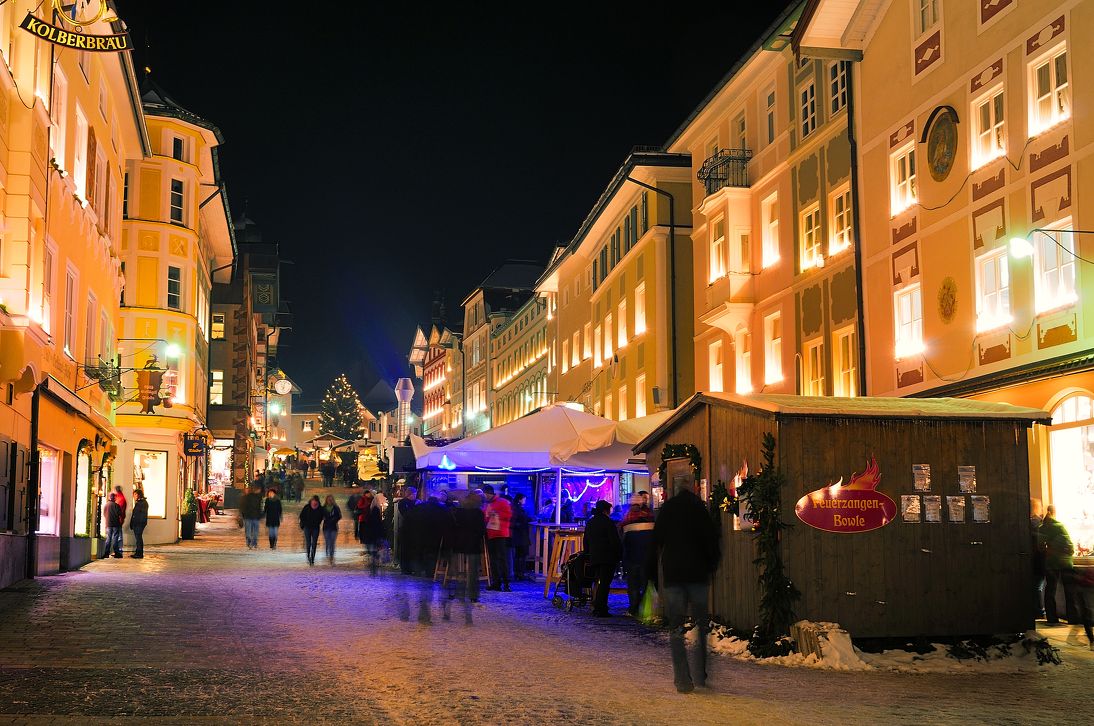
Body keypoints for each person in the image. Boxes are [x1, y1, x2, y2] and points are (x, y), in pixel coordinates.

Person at [652, 479, 721, 693]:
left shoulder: (668, 509)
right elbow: (713, 540)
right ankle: (701, 673)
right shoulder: (701, 509)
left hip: (674, 574)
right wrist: (711, 566)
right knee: (701, 625)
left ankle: (682, 678)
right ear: (693, 489)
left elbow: (657, 539)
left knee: (676, 628)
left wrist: (658, 569)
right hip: (698, 574)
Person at [583, 499, 622, 617]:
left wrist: (588, 554)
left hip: (595, 557)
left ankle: (596, 606)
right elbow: (615, 541)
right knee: (605, 583)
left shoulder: (591, 522)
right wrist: (619, 555)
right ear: (606, 510)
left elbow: (586, 541)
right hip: (607, 557)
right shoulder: (608, 523)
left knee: (598, 582)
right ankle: (601, 608)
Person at [451, 492, 487, 616]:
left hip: (458, 544)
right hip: (473, 545)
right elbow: (482, 530)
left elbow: (453, 526)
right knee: (473, 572)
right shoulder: (479, 513)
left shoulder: (457, 511)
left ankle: (457, 592)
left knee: (458, 571)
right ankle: (473, 596)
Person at [621, 492, 655, 617]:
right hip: (646, 558)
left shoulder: (627, 520)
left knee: (633, 586)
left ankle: (633, 609)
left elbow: (622, 542)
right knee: (645, 584)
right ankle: (644, 608)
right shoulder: (651, 518)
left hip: (632, 558)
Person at [483, 485, 513, 591]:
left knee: (501, 559)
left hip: (500, 534)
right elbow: (485, 518)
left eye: (485, 494)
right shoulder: (487, 504)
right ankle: (496, 583)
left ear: (489, 494)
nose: (484, 496)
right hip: (490, 534)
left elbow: (508, 515)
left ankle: (506, 583)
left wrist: (494, 514)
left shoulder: (502, 502)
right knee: (493, 560)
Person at [361, 493, 386, 576]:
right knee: (376, 553)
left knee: (373, 553)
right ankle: (374, 569)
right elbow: (378, 525)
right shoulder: (376, 511)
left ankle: (373, 570)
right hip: (375, 535)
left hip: (371, 535)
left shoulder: (370, 510)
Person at [395, 486, 418, 575]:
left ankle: (410, 567)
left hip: (412, 530)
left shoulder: (414, 502)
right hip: (406, 529)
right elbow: (407, 514)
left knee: (410, 550)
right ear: (410, 494)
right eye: (414, 494)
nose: (415, 496)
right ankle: (405, 568)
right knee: (405, 549)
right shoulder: (403, 503)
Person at [510, 493, 531, 581]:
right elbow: (523, 519)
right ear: (520, 500)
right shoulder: (519, 509)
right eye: (524, 499)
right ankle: (520, 573)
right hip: (521, 535)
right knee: (522, 554)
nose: (525, 501)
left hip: (517, 535)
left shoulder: (513, 508)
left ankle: (518, 573)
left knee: (518, 555)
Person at [299, 496, 325, 565]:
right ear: (311, 501)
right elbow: (301, 516)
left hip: (315, 527)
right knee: (308, 543)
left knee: (314, 543)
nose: (314, 503)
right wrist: (304, 524)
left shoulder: (320, 508)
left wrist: (319, 521)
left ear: (317, 502)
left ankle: (312, 558)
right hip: (307, 527)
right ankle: (308, 556)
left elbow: (322, 516)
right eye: (313, 501)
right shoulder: (307, 507)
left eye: (315, 502)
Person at [240, 484, 263, 550]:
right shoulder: (258, 497)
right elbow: (259, 508)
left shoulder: (246, 497)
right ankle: (254, 543)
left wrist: (243, 515)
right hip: (255, 517)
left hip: (248, 517)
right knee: (255, 531)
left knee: (248, 531)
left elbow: (243, 507)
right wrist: (260, 515)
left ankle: (249, 542)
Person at [101, 492, 123, 559]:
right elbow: (120, 514)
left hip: (108, 524)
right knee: (115, 539)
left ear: (109, 497)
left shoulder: (106, 505)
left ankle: (106, 553)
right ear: (114, 498)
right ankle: (116, 553)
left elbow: (104, 514)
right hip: (116, 524)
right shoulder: (117, 505)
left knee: (108, 538)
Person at [322, 494, 342, 565]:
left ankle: (331, 556)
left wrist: (334, 519)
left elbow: (339, 516)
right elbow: (320, 516)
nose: (330, 501)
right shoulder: (323, 508)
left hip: (334, 527)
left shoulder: (336, 508)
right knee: (328, 541)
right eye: (328, 499)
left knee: (332, 542)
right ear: (326, 500)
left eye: (331, 499)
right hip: (326, 527)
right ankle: (327, 550)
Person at [129, 489, 148, 559]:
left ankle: (139, 553)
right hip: (137, 524)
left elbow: (141, 515)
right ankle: (138, 552)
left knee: (139, 538)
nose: (134, 496)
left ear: (138, 495)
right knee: (138, 538)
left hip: (139, 524)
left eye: (135, 494)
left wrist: (138, 523)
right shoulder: (139, 503)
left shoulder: (142, 503)